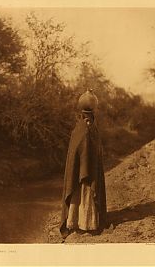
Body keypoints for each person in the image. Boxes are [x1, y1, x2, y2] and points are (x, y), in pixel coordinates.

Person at [60, 89, 107, 239]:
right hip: (83, 177)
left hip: (84, 173)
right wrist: (85, 170)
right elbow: (80, 153)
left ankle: (82, 223)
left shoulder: (84, 129)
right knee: (83, 193)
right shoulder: (83, 130)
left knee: (85, 194)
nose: (89, 119)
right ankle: (81, 224)